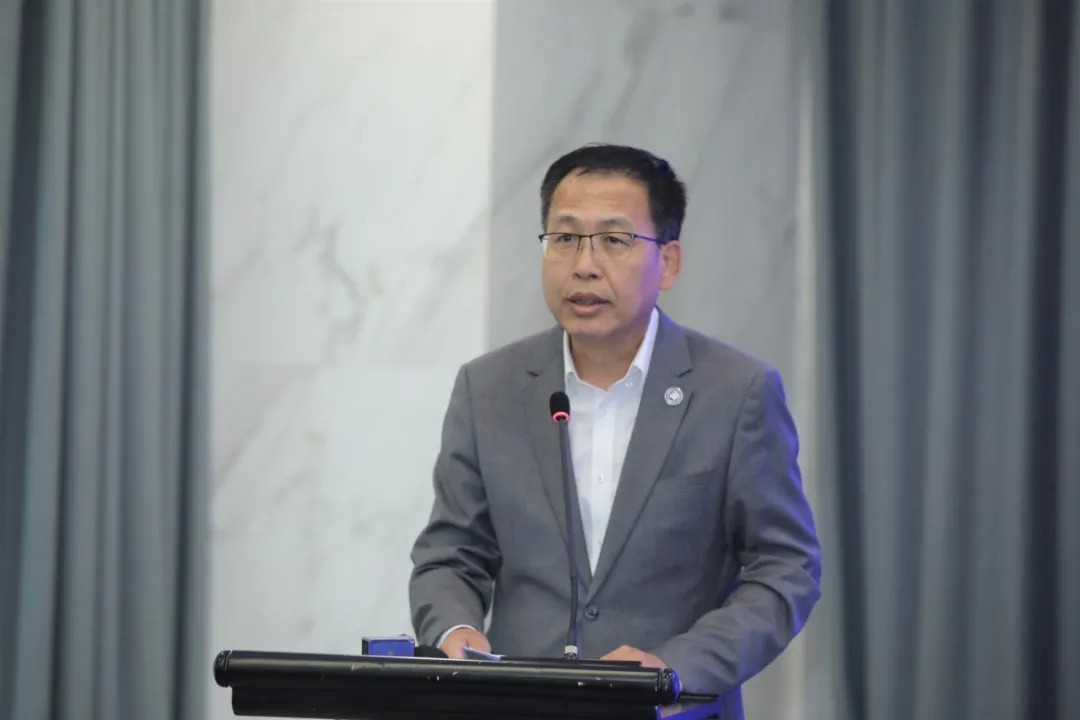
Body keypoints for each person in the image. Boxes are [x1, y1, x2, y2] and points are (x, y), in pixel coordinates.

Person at [409, 143, 821, 717]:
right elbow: (451, 554)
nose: (584, 264)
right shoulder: (489, 388)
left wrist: (675, 668)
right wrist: (455, 630)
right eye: (565, 238)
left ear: (668, 262)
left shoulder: (737, 392)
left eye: (613, 240)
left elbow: (786, 570)